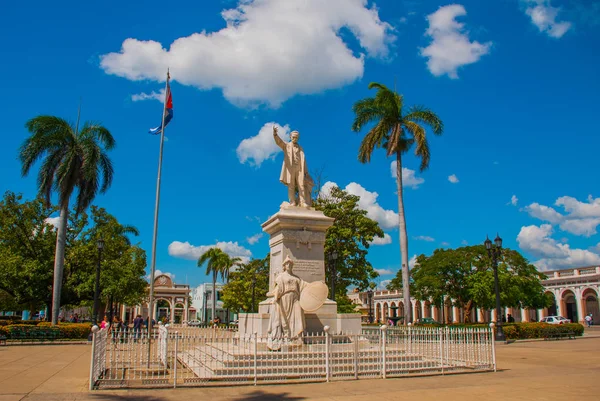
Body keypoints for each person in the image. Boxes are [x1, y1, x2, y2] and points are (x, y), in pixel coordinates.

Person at [267, 256, 309, 350]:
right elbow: (278, 288)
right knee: (285, 318)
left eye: (290, 264)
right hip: (285, 298)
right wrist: (275, 297)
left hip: (295, 298)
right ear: (284, 266)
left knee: (298, 316)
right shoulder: (281, 276)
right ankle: (287, 336)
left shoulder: (296, 278)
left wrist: (316, 285)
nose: (289, 265)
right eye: (287, 264)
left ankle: (297, 337)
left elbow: (304, 285)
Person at [272, 127, 314, 208]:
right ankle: (292, 202)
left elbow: (304, 161)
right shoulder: (287, 145)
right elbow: (279, 142)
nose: (295, 139)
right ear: (290, 137)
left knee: (301, 185)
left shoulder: (300, 148)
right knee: (291, 186)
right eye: (293, 137)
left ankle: (303, 202)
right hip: (290, 169)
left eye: (296, 137)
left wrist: (306, 172)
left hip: (299, 168)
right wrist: (275, 134)